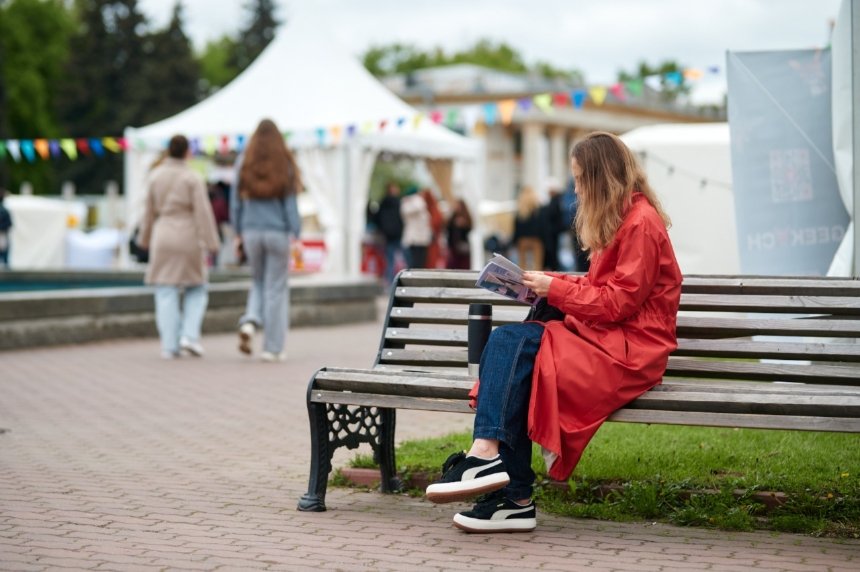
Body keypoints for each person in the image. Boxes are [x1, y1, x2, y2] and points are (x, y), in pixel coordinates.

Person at [424, 131, 682, 533]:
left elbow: (617, 304)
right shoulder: (624, 217)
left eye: (580, 179)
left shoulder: (641, 223)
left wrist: (555, 289)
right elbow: (605, 293)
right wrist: (547, 282)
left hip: (631, 351)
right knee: (513, 352)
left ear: (600, 178)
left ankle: (499, 474)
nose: (576, 190)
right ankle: (511, 494)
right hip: (609, 339)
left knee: (514, 347)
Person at [137, 135, 221, 359]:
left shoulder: (155, 176)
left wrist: (143, 240)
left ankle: (168, 345)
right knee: (197, 287)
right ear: (187, 152)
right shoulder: (192, 177)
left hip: (162, 235)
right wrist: (212, 242)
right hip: (188, 237)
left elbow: (147, 212)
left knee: (165, 291)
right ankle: (190, 336)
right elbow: (203, 212)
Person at [230, 118, 302, 362]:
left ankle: (250, 320)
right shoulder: (284, 162)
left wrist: (237, 231)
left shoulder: (244, 162)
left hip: (250, 231)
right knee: (276, 289)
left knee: (258, 281)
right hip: (277, 232)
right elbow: (290, 203)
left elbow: (235, 201)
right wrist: (297, 232)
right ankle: (272, 347)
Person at [374, 182, 404, 286]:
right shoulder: (399, 203)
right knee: (404, 260)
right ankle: (402, 282)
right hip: (398, 234)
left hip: (388, 235)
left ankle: (390, 283)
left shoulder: (383, 203)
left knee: (390, 260)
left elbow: (377, 218)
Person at [512, 186, 546, 270]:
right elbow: (542, 227)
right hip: (536, 240)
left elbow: (516, 229)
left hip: (523, 241)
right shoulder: (538, 210)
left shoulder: (520, 211)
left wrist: (515, 241)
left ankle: (522, 281)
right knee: (537, 267)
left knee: (522, 266)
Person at [400, 185, 432, 268]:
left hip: (413, 238)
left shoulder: (406, 204)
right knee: (417, 264)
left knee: (413, 264)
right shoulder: (418, 202)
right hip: (418, 239)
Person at [421, 188, 445, 269]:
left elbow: (436, 223)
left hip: (432, 241)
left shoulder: (433, 210)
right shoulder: (431, 209)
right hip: (429, 241)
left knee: (430, 262)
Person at [446, 198, 473, 269]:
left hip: (463, 246)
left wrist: (463, 224)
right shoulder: (452, 216)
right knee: (452, 265)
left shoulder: (465, 217)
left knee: (463, 266)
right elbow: (447, 229)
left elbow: (470, 228)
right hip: (453, 246)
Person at [0, 189, 12, 268]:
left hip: (3, 235)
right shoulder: (4, 210)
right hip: (3, 235)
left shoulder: (4, 211)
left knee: (4, 258)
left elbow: (9, 224)